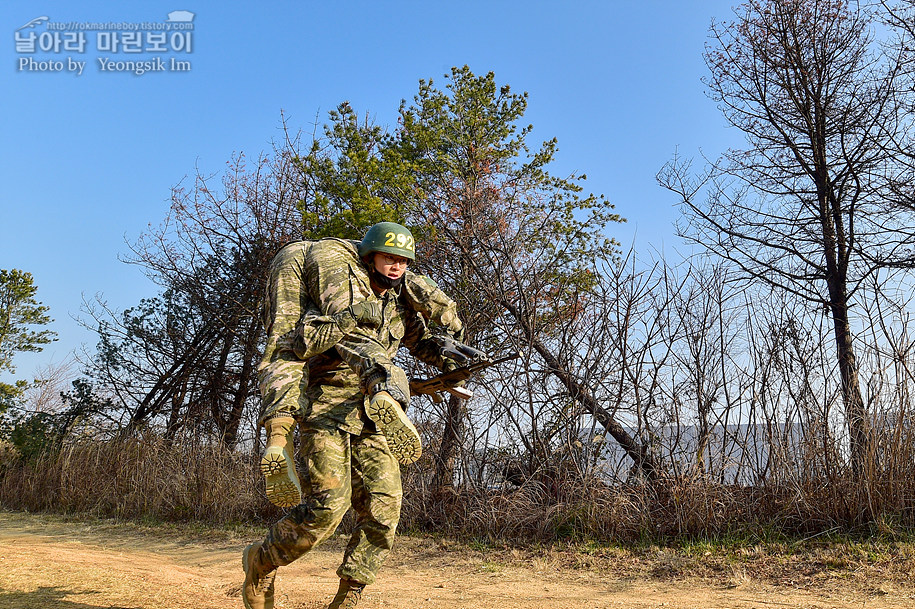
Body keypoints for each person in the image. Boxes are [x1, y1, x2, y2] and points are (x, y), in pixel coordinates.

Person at [245, 222, 465, 609]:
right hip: (327, 408)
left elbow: (423, 343)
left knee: (385, 507)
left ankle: (350, 595)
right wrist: (350, 319)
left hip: (374, 415)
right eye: (388, 257)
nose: (395, 266)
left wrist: (453, 356)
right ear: (369, 257)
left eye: (402, 260)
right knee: (327, 508)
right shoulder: (333, 296)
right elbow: (301, 341)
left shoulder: (396, 306)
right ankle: (261, 562)